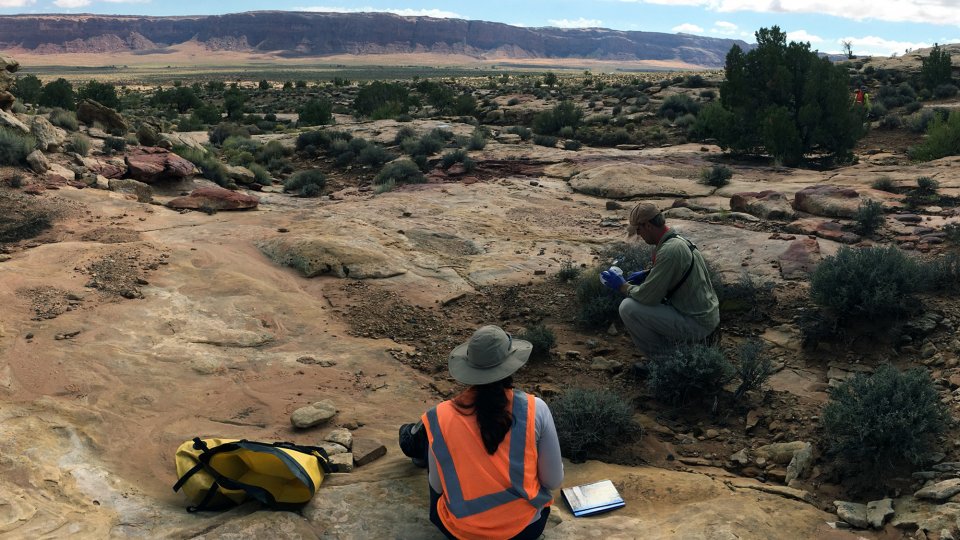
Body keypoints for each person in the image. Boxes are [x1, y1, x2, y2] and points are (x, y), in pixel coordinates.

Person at [421, 325, 564, 540]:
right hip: (524, 529)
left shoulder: (439, 416)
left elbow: (437, 485)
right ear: (511, 365)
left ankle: (411, 438)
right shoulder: (536, 409)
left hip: (462, 532)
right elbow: (553, 481)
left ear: (469, 368)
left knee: (427, 441)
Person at [599, 202, 720, 357]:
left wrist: (622, 286)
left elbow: (648, 297)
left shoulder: (670, 251)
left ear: (648, 225)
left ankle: (662, 359)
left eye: (638, 230)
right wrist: (649, 273)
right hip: (705, 316)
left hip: (697, 324)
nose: (639, 236)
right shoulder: (677, 240)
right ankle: (677, 347)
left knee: (628, 308)